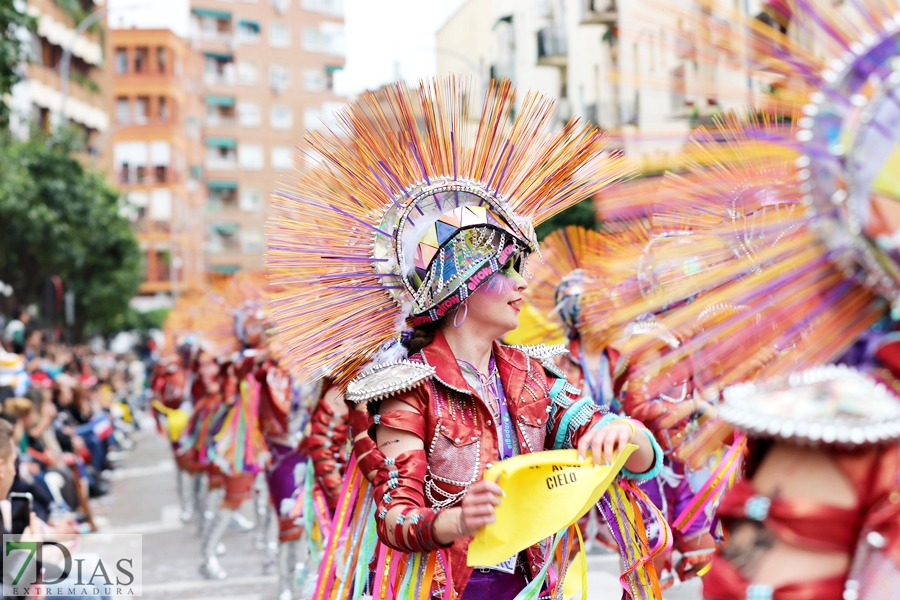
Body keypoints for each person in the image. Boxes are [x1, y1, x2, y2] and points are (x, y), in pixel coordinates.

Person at [267, 77, 666, 598]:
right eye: (507, 270)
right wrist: (456, 521)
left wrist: (622, 434)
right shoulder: (404, 390)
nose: (524, 284)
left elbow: (641, 461)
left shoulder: (532, 373)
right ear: (462, 285)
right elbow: (396, 518)